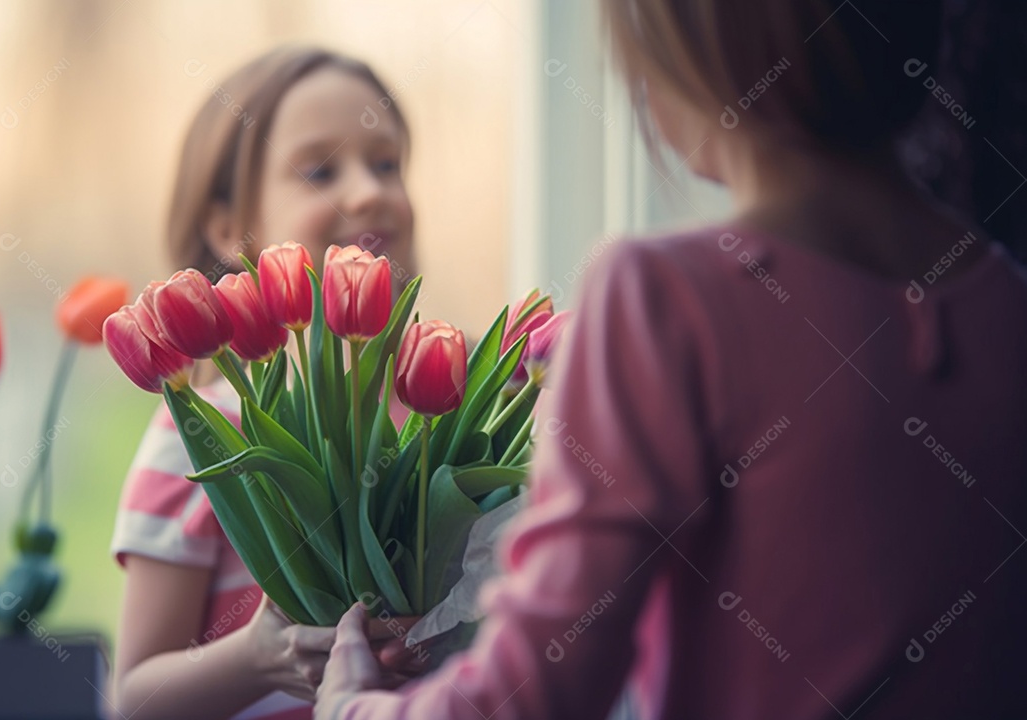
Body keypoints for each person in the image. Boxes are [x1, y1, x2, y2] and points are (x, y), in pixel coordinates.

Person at [315, 1, 1027, 718]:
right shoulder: (1004, 298)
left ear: (693, 58)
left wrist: (353, 708)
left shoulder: (663, 296)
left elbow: (537, 692)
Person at [111, 46, 418, 720]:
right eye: (320, 169)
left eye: (387, 163)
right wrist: (256, 658)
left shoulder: (439, 414)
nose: (370, 191)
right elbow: (132, 700)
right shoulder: (201, 431)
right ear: (226, 227)